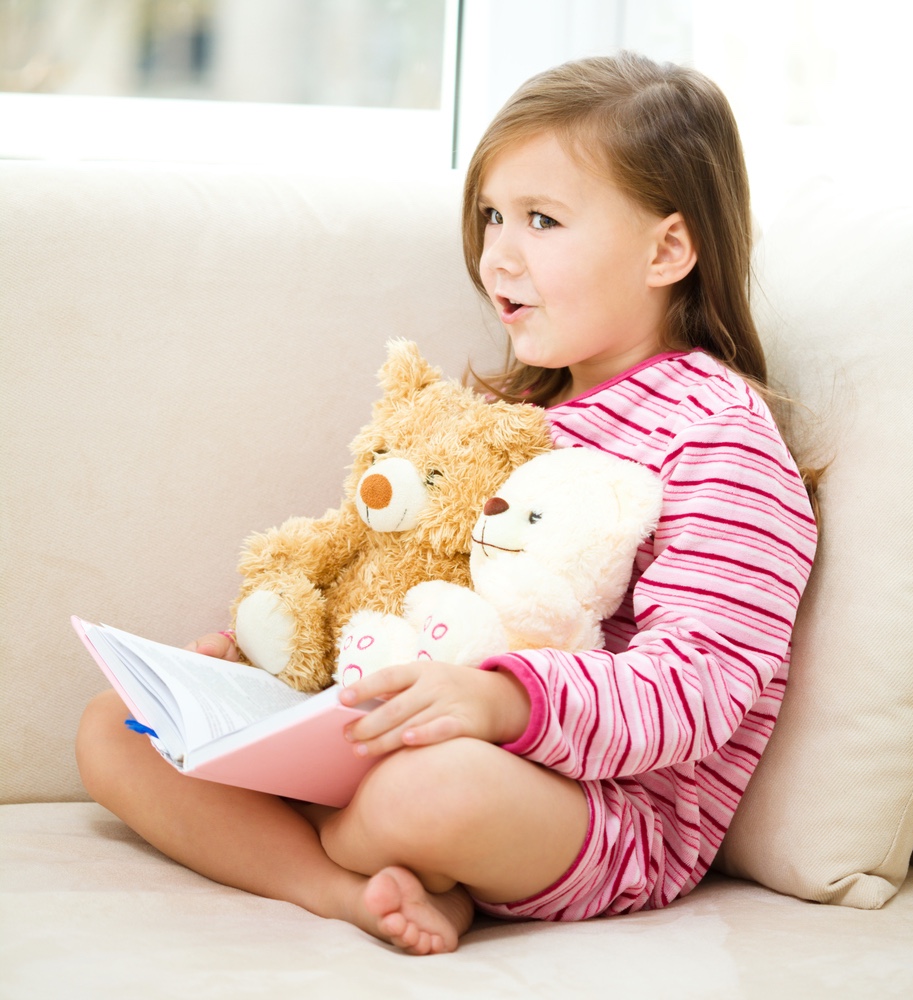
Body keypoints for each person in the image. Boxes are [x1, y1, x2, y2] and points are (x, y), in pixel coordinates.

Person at [76, 51, 819, 956]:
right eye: (491, 216)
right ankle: (345, 890)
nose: (496, 254)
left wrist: (502, 704)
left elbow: (696, 689)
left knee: (425, 793)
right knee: (117, 726)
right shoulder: (502, 421)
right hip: (408, 726)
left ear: (668, 248)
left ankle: (357, 841)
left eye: (542, 220)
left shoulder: (720, 437)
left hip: (596, 810)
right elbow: (400, 582)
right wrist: (277, 676)